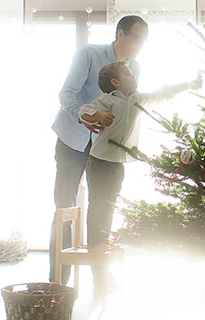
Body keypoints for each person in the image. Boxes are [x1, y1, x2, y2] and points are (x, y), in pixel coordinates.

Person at [49, 15, 148, 284]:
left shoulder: (134, 69)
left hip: (104, 151)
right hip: (72, 139)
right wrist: (85, 118)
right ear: (121, 34)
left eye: (144, 41)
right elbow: (66, 93)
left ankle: (100, 277)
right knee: (64, 209)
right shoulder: (88, 54)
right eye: (137, 38)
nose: (140, 44)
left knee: (102, 209)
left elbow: (129, 107)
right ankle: (58, 281)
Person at [78, 62, 201, 251]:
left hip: (118, 163)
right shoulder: (107, 100)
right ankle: (94, 244)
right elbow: (83, 112)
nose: (133, 76)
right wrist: (99, 115)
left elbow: (163, 93)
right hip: (99, 161)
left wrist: (188, 84)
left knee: (110, 203)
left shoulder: (138, 99)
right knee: (98, 203)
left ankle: (103, 240)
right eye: (128, 74)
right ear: (115, 82)